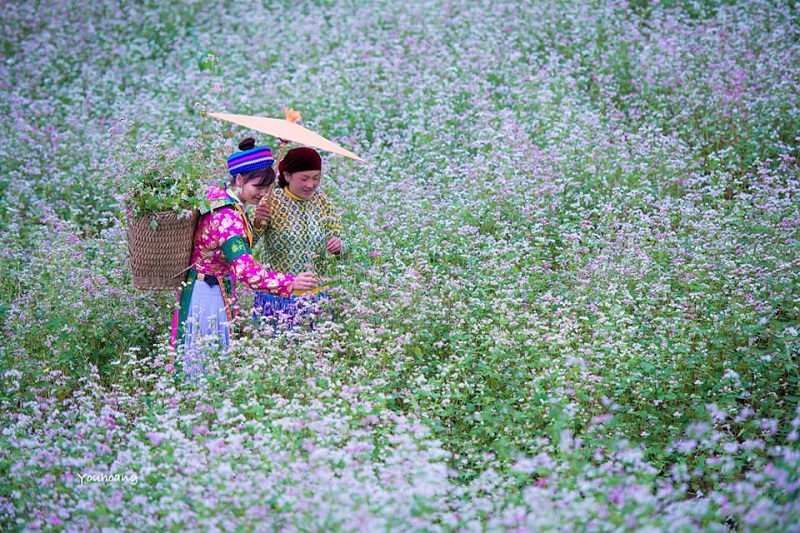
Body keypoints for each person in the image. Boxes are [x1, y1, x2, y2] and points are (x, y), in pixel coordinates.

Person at [170, 138, 318, 374]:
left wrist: (256, 223)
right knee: (204, 360)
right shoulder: (229, 218)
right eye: (258, 187)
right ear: (239, 180)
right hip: (207, 294)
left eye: (267, 188)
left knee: (205, 357)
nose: (263, 194)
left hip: (205, 286)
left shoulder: (219, 197)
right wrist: (290, 282)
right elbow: (246, 271)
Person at [252, 146, 343, 331]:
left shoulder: (323, 202)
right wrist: (258, 223)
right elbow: (247, 244)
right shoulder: (271, 201)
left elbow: (343, 242)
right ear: (287, 176)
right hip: (279, 298)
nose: (310, 184)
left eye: (316, 178)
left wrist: (339, 246)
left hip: (317, 298)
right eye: (304, 178)